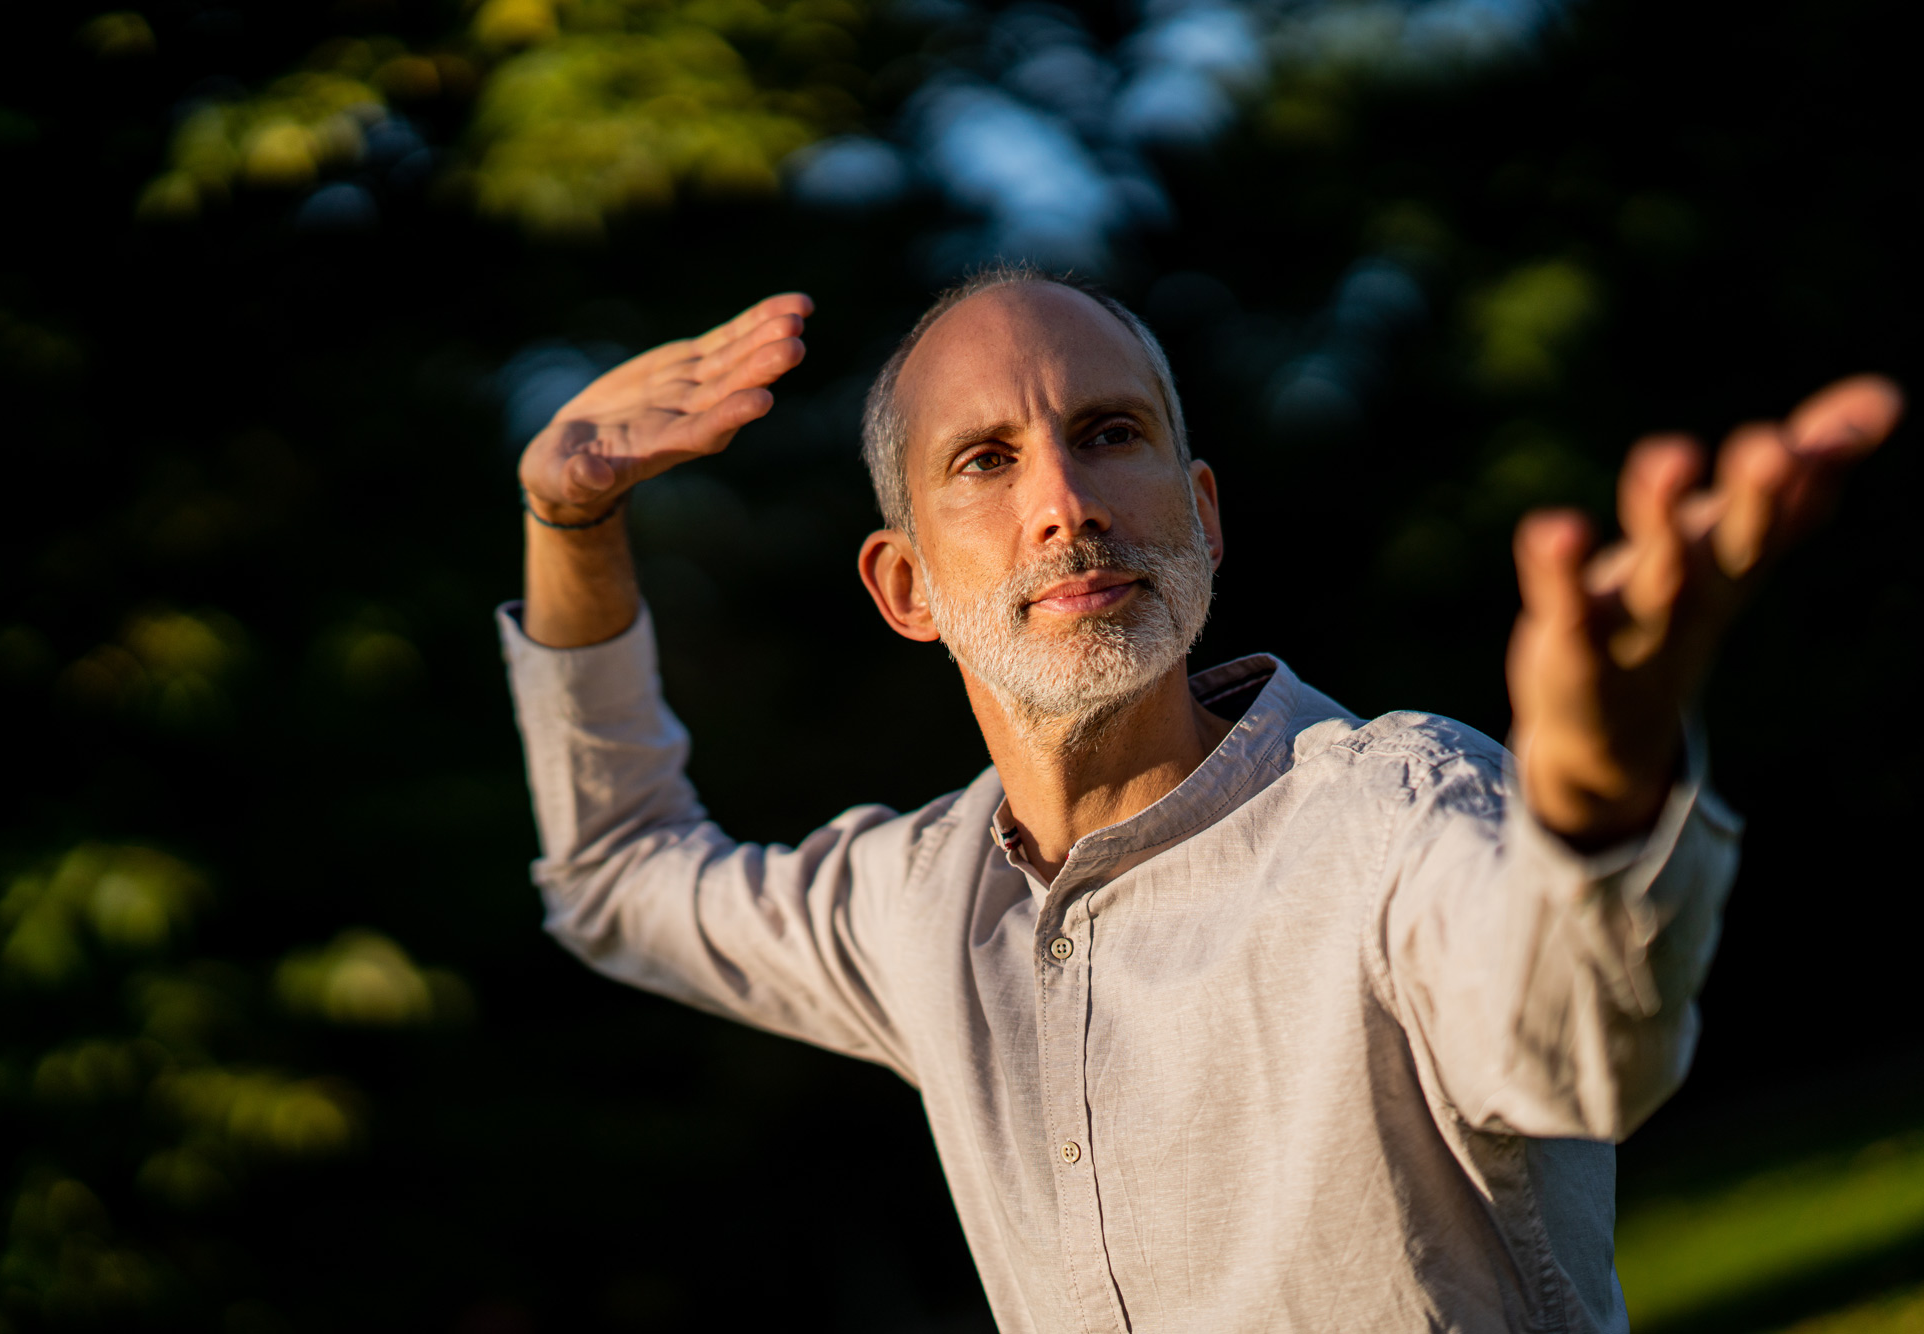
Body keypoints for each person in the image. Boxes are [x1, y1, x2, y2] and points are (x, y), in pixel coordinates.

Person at [500, 266, 1901, 1332]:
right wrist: (568, 520)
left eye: (1109, 432)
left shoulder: (1399, 810)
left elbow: (1580, 1050)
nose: (1064, 500)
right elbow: (619, 875)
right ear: (905, 586)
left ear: (1205, 515)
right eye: (985, 461)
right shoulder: (920, 901)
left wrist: (1595, 812)